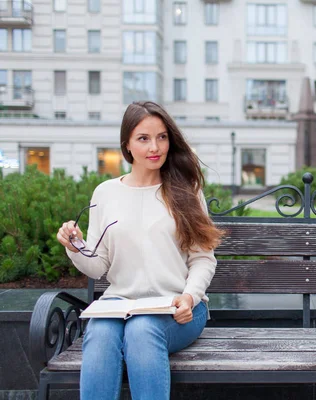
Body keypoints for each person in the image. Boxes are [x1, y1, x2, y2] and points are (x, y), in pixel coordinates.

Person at [56, 101, 223, 400]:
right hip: (119, 305)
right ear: (127, 145)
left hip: (178, 309)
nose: (155, 146)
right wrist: (75, 246)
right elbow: (98, 266)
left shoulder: (186, 191)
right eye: (143, 138)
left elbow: (202, 258)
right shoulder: (105, 193)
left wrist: (189, 296)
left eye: (162, 137)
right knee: (100, 333)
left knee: (142, 330)